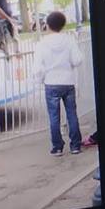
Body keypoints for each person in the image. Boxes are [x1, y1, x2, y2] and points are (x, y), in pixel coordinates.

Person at [33, 10, 83, 156]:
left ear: (47, 25)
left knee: (54, 117)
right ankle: (75, 145)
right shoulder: (69, 40)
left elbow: (38, 67)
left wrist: (39, 80)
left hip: (51, 82)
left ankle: (57, 147)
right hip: (68, 81)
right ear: (63, 25)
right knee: (72, 114)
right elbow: (77, 59)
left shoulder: (42, 43)